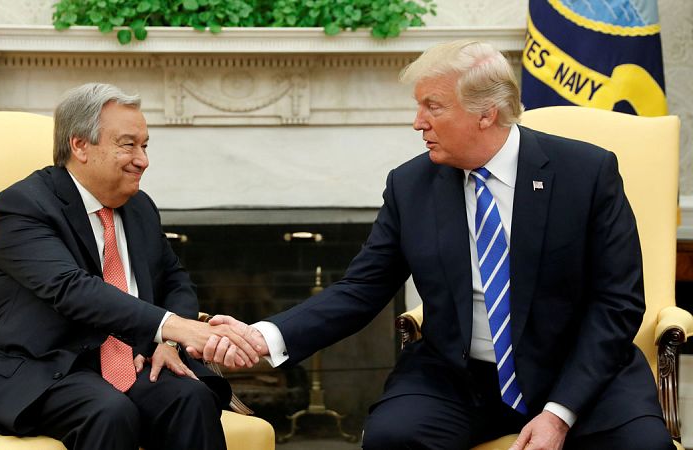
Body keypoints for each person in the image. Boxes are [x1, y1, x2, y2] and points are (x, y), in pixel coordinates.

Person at [200, 40, 675, 449]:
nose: (417, 122)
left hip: (576, 373)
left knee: (642, 444)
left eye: (433, 106)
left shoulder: (586, 174)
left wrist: (558, 413)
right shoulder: (411, 186)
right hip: (460, 377)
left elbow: (617, 304)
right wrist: (264, 336)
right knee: (393, 437)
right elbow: (361, 289)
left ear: (486, 112)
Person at [0, 83, 261, 450]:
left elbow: (175, 280)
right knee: (109, 410)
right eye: (128, 144)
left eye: (145, 145)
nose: (143, 159)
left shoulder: (140, 207)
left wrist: (168, 340)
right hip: (46, 368)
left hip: (131, 360)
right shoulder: (23, 205)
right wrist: (175, 327)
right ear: (80, 145)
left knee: (192, 398)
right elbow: (70, 287)